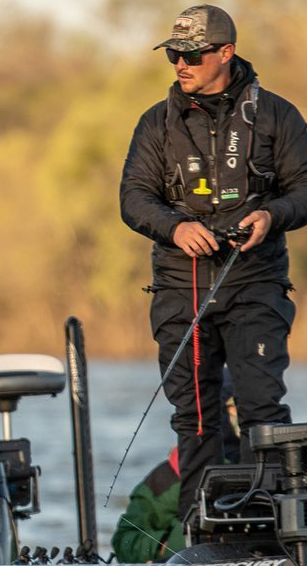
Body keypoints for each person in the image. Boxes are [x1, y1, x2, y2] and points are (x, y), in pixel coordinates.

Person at [120, 5, 307, 521]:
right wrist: (176, 227)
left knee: (261, 410)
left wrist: (272, 215)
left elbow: (304, 190)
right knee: (195, 417)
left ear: (225, 52)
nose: (180, 63)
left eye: (192, 54)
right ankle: (197, 535)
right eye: (174, 54)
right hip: (183, 289)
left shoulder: (276, 114)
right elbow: (134, 198)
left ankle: (272, 528)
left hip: (256, 283)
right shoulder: (156, 123)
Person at [111, 379, 238, 563]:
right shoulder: (167, 478)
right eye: (232, 408)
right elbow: (125, 540)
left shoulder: (271, 466)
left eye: (242, 408)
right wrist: (167, 544)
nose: (238, 416)